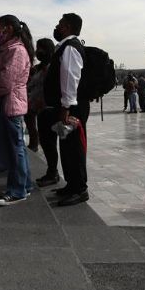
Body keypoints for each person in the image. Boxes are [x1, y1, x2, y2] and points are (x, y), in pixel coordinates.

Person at [0, 15, 34, 206]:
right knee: (17, 147)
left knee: (15, 149)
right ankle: (24, 185)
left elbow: (5, 82)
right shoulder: (7, 49)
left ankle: (17, 190)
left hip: (10, 105)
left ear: (9, 29)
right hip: (6, 104)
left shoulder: (16, 51)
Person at [45, 13, 92, 206]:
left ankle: (80, 189)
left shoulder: (71, 48)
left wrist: (66, 106)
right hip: (67, 105)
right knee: (66, 147)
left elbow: (70, 78)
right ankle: (71, 184)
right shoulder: (65, 46)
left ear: (69, 27)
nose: (57, 27)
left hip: (72, 107)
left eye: (60, 24)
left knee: (75, 148)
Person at [29, 38, 61, 188]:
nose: (38, 51)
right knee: (46, 143)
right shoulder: (39, 68)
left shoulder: (54, 66)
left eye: (41, 48)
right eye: (37, 48)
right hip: (39, 110)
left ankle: (53, 173)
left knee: (49, 143)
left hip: (50, 110)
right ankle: (51, 171)